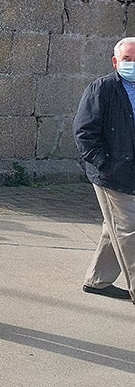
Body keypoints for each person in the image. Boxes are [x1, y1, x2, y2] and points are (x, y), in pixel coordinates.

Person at [73, 37, 135, 302]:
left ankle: (97, 280)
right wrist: (104, 163)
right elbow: (84, 132)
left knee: (115, 227)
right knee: (130, 230)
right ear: (115, 61)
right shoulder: (103, 88)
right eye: (128, 59)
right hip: (112, 174)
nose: (132, 64)